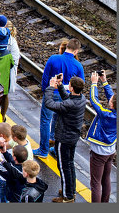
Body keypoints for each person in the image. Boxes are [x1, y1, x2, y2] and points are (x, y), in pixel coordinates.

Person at [42, 73, 86, 203]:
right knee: (69, 164)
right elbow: (67, 99)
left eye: (69, 86)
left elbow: (50, 104)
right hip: (72, 137)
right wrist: (60, 86)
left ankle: (67, 197)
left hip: (64, 138)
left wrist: (50, 87)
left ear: (71, 88)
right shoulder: (81, 98)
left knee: (63, 166)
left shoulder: (70, 104)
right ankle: (70, 190)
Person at [86, 70, 115, 203]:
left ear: (112, 105)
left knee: (95, 183)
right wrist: (104, 81)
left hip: (99, 153)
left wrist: (94, 83)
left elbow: (93, 100)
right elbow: (113, 98)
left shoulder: (105, 114)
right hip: (110, 151)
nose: (110, 99)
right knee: (106, 180)